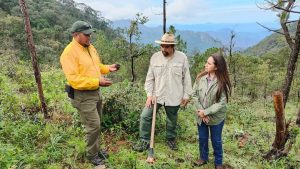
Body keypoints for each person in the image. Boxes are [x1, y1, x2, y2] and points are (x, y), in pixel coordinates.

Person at [60, 20, 119, 166]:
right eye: (86, 35)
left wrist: (107, 68)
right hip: (82, 95)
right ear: (75, 35)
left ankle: (96, 150)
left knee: (97, 123)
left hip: (95, 93)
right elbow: (74, 79)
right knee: (94, 125)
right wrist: (97, 82)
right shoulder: (68, 53)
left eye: (90, 34)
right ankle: (91, 155)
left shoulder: (89, 47)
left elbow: (95, 66)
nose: (89, 37)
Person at [133, 33, 192, 152]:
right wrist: (149, 95)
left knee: (172, 119)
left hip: (174, 95)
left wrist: (186, 95)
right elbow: (149, 78)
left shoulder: (182, 57)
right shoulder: (155, 57)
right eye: (162, 46)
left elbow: (187, 77)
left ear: (172, 46)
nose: (163, 49)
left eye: (166, 47)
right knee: (145, 116)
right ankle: (144, 140)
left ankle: (170, 139)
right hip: (156, 95)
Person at [192, 51, 231, 169]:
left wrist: (206, 112)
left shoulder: (222, 83)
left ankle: (218, 162)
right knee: (203, 137)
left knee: (216, 140)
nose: (206, 65)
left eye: (209, 63)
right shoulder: (200, 78)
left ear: (217, 66)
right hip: (201, 115)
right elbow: (194, 95)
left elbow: (221, 103)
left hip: (216, 118)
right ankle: (203, 158)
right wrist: (201, 112)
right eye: (206, 63)